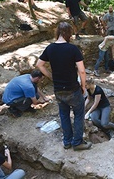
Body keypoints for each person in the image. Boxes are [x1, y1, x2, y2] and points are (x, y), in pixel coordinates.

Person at [36, 21, 91, 151]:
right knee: (78, 115)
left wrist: (51, 76)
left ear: (58, 33)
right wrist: (83, 86)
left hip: (58, 90)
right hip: (72, 88)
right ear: (69, 33)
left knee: (64, 115)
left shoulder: (50, 48)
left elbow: (39, 64)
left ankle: (67, 141)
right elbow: (82, 71)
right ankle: (77, 142)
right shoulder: (73, 49)